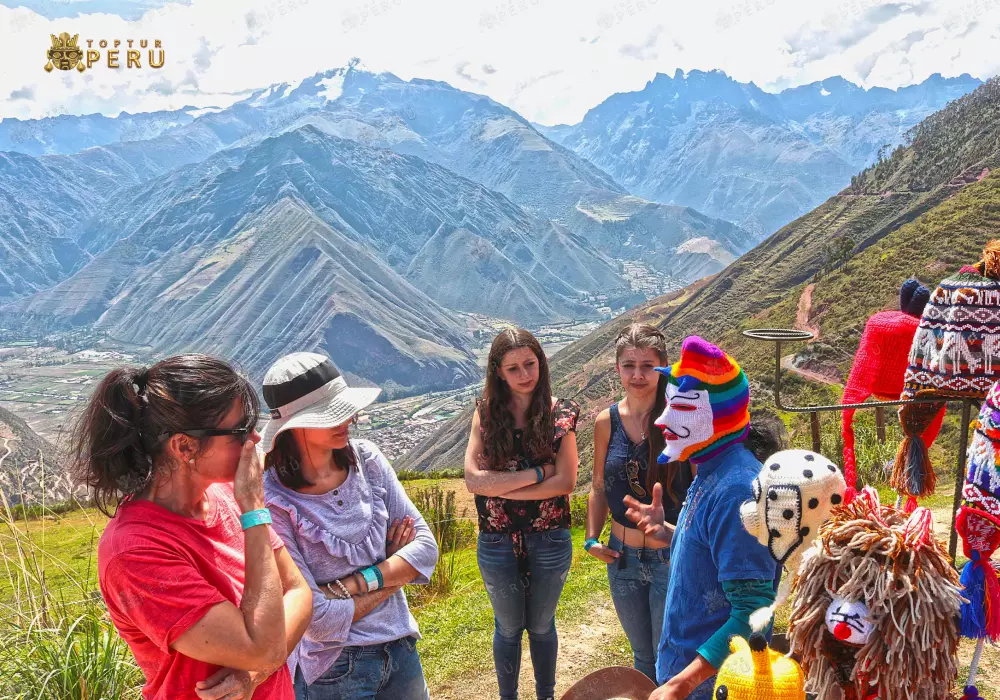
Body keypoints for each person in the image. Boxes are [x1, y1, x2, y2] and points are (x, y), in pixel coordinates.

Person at [78, 354, 312, 700]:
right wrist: (255, 509)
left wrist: (254, 674)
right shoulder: (135, 551)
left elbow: (299, 591)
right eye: (239, 431)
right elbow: (262, 648)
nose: (255, 438)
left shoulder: (226, 496)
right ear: (184, 446)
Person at [260, 352, 439, 700]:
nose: (350, 418)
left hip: (400, 647)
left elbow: (426, 549)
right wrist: (394, 570)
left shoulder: (368, 459)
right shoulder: (274, 500)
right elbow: (317, 620)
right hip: (332, 668)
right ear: (293, 426)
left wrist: (348, 585)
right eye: (333, 414)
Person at [624, 337, 781, 700]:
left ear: (717, 418)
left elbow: (753, 614)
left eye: (683, 407)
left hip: (715, 688)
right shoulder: (711, 470)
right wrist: (670, 533)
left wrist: (681, 684)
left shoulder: (738, 492)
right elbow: (718, 553)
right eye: (668, 404)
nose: (664, 420)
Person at [463, 328, 581, 700]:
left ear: (541, 362)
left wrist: (501, 484)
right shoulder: (484, 413)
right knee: (509, 627)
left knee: (542, 625)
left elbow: (566, 483)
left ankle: (545, 695)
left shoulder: (562, 413)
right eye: (514, 368)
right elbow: (472, 481)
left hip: (550, 537)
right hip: (496, 540)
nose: (525, 374)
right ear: (498, 371)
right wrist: (536, 474)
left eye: (530, 364)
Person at [583, 323, 693, 682]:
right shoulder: (606, 422)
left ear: (663, 367)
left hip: (671, 555)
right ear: (618, 369)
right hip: (622, 558)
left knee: (670, 653)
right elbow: (598, 487)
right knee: (642, 657)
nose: (638, 375)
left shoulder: (682, 419)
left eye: (648, 365)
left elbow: (701, 486)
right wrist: (591, 539)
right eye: (629, 365)